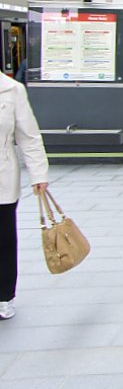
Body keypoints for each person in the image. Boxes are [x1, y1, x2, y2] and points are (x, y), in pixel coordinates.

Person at [0, 71, 49, 320]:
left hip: (2, 176)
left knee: (4, 239)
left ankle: (3, 296)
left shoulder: (12, 90)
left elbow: (29, 137)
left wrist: (38, 174)